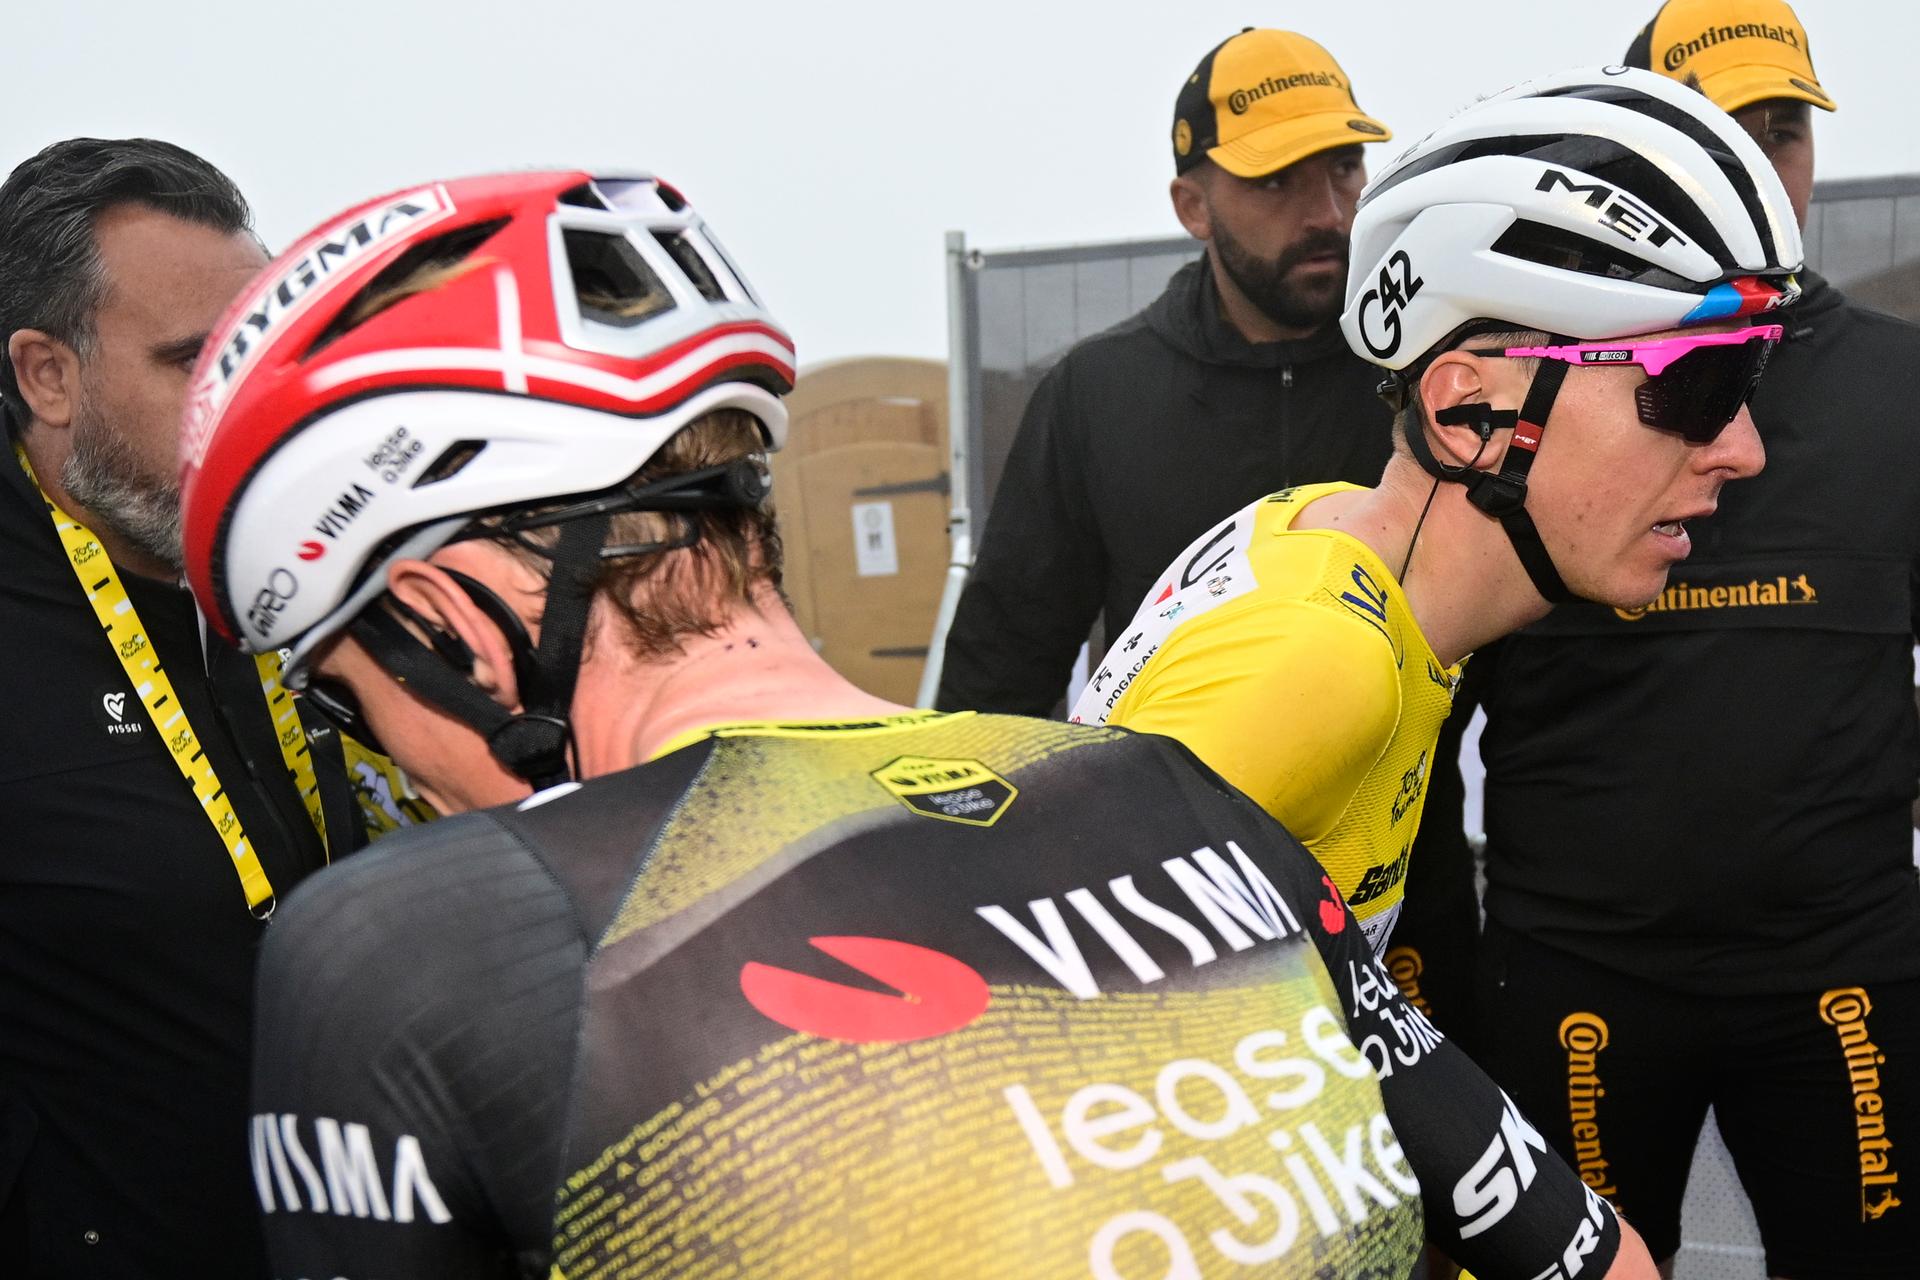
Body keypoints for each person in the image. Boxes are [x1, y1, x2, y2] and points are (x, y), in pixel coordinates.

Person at [178, 168, 1657, 1278]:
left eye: (343, 703)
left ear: (450, 617)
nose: (389, 776)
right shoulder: (1183, 801)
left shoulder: (419, 942)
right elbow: (1591, 1256)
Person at [1069, 65, 1801, 971]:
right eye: (1697, 384)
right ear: (1468, 415)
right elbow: (1025, 1017)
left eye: (1752, 377)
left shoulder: (1318, 529)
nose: (1744, 448)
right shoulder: (1321, 664)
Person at [1425, 3, 1920, 1272]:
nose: (1767, 162)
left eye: (1786, 130)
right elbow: (1425, 694)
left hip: (1844, 988)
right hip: (1582, 988)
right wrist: (1435, 987)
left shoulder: (1896, 389)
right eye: (1725, 133)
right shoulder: (1533, 374)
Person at [0, 137, 424, 1278]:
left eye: (257, 354)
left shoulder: (287, 558)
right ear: (47, 373)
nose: (239, 407)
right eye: (194, 362)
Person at [936, 27, 1396, 717]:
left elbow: (1545, 694)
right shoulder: (1097, 396)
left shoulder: (1431, 374)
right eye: (1276, 180)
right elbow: (1000, 683)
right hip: (1167, 825)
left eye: (1344, 167)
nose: (1328, 213)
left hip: (1406, 827)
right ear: (1192, 207)